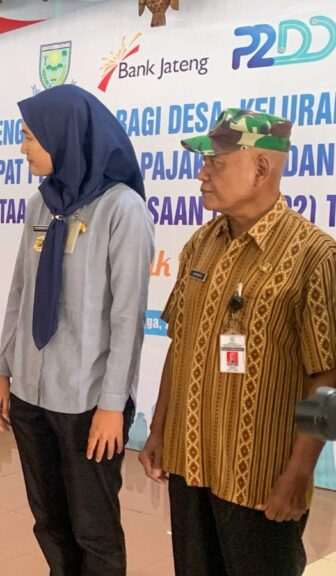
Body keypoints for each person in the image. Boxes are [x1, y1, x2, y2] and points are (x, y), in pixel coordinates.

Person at [139, 109, 336, 576]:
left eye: (216, 162)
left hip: (260, 480)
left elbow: (327, 378)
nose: (202, 173)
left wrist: (299, 472)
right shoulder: (200, 244)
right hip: (190, 464)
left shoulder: (315, 256)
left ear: (261, 168)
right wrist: (159, 430)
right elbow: (179, 344)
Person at [0, 84, 154, 576]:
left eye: (30, 136)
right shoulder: (40, 205)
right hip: (31, 394)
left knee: (93, 529)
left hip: (88, 403)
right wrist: (3, 371)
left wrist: (112, 406)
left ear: (62, 136)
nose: (22, 148)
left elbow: (127, 318)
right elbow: (20, 292)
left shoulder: (122, 210)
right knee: (49, 520)